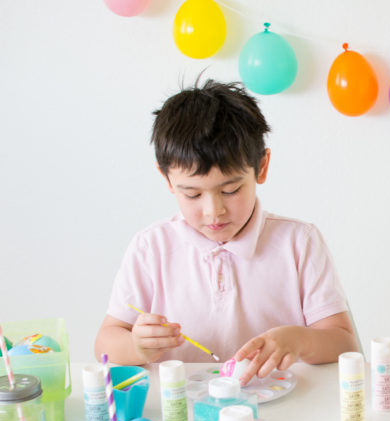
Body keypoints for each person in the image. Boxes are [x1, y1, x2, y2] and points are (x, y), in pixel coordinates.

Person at [95, 79, 358, 382]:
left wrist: (299, 341)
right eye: (193, 194)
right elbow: (104, 344)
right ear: (167, 180)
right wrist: (137, 346)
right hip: (182, 407)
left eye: (230, 190)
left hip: (281, 405)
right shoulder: (151, 247)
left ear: (262, 167)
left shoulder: (299, 242)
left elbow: (344, 344)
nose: (213, 211)